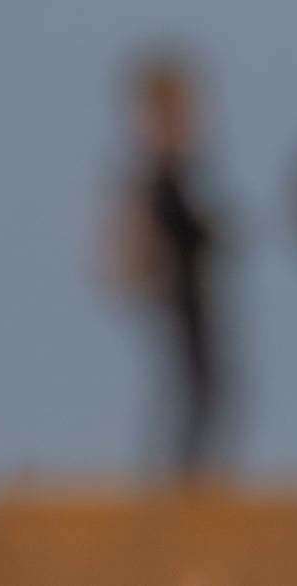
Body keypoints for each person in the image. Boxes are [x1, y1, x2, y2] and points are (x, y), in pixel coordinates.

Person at [103, 47, 228, 480]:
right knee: (192, 384)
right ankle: (179, 476)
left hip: (179, 285)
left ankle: (184, 473)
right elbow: (154, 232)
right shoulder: (157, 169)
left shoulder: (169, 166)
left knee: (193, 383)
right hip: (173, 287)